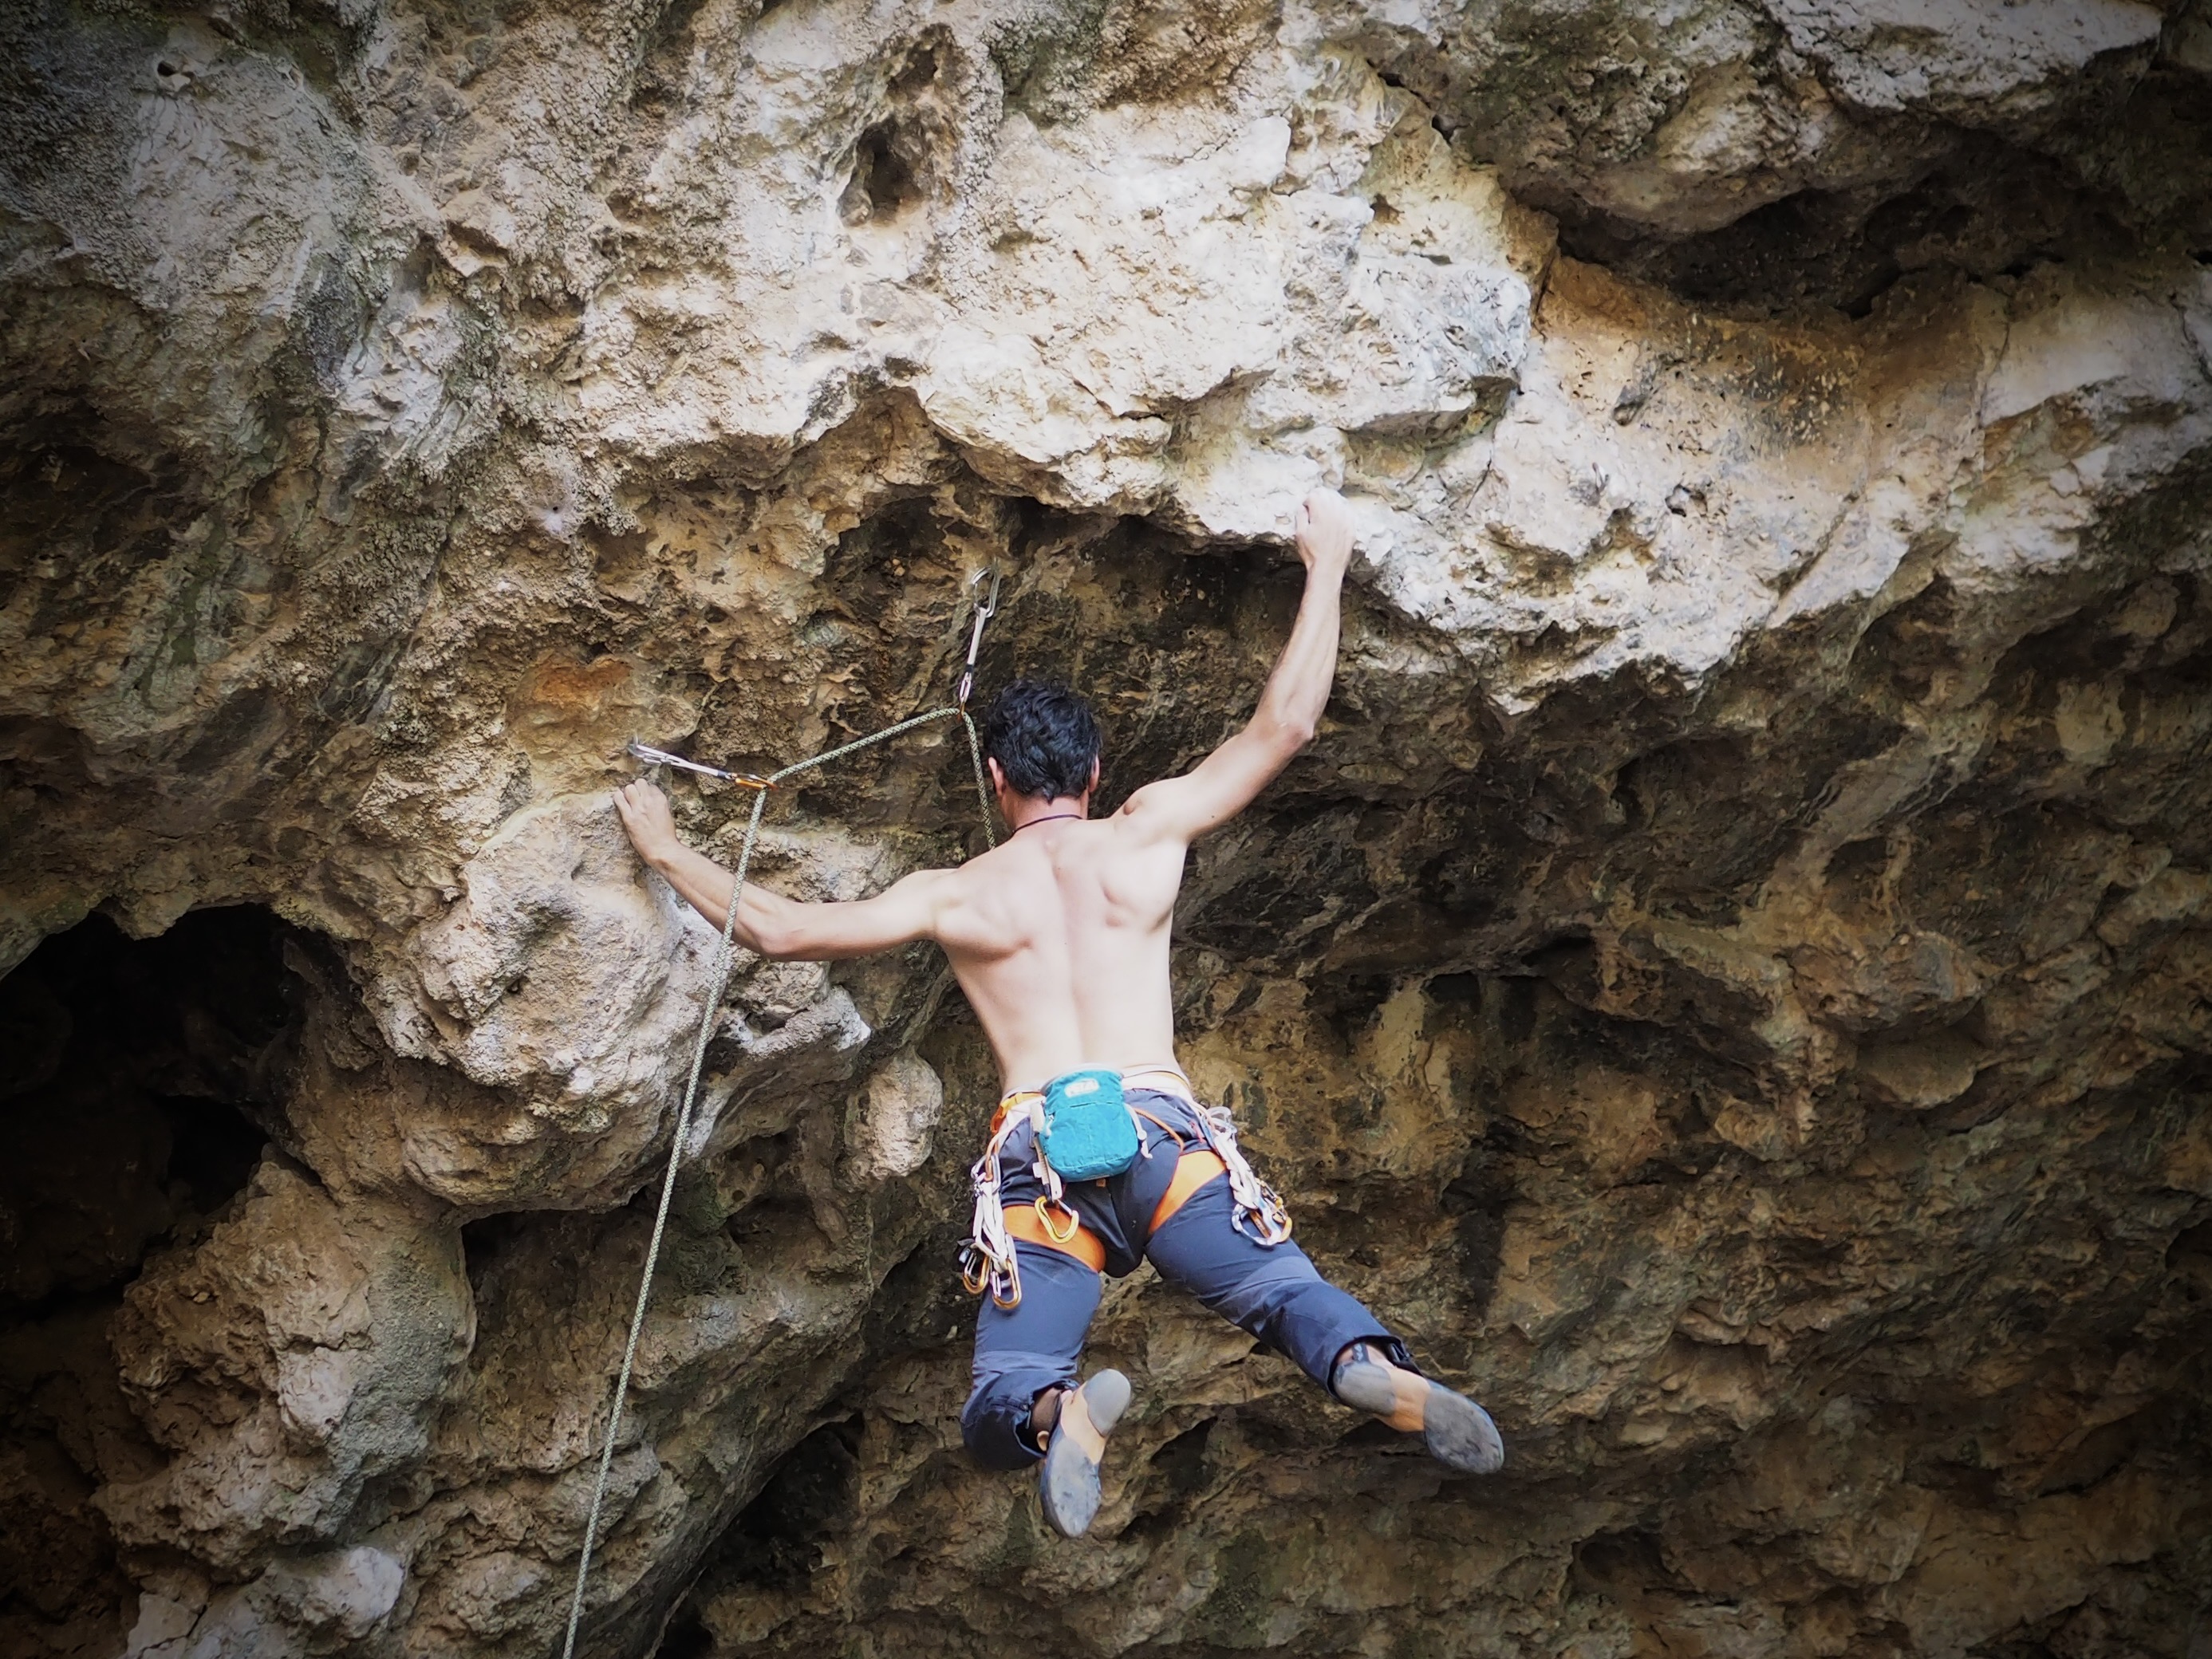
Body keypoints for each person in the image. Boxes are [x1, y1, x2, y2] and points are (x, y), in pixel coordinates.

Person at [612, 489, 1504, 1539]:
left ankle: (1054, 1408)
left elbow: (780, 929)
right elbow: (1287, 723)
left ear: (995, 782)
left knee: (998, 1400)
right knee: (1281, 1297)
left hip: (1041, 1166)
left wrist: (666, 848)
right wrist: (1327, 562)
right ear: (1093, 770)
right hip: (1165, 1145)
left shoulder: (956, 893)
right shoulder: (1145, 832)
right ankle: (1361, 1366)